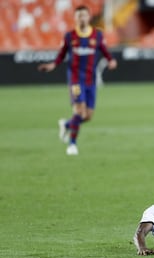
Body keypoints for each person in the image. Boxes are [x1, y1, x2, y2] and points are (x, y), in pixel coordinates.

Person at [38, 5, 117, 155]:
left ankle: (66, 124)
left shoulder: (97, 35)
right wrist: (52, 65)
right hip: (75, 79)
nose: (82, 18)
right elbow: (61, 55)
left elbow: (105, 51)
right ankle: (72, 144)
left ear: (89, 17)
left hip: (90, 80)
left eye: (84, 15)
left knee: (88, 116)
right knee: (79, 111)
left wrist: (111, 60)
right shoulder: (70, 36)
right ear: (75, 18)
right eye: (79, 16)